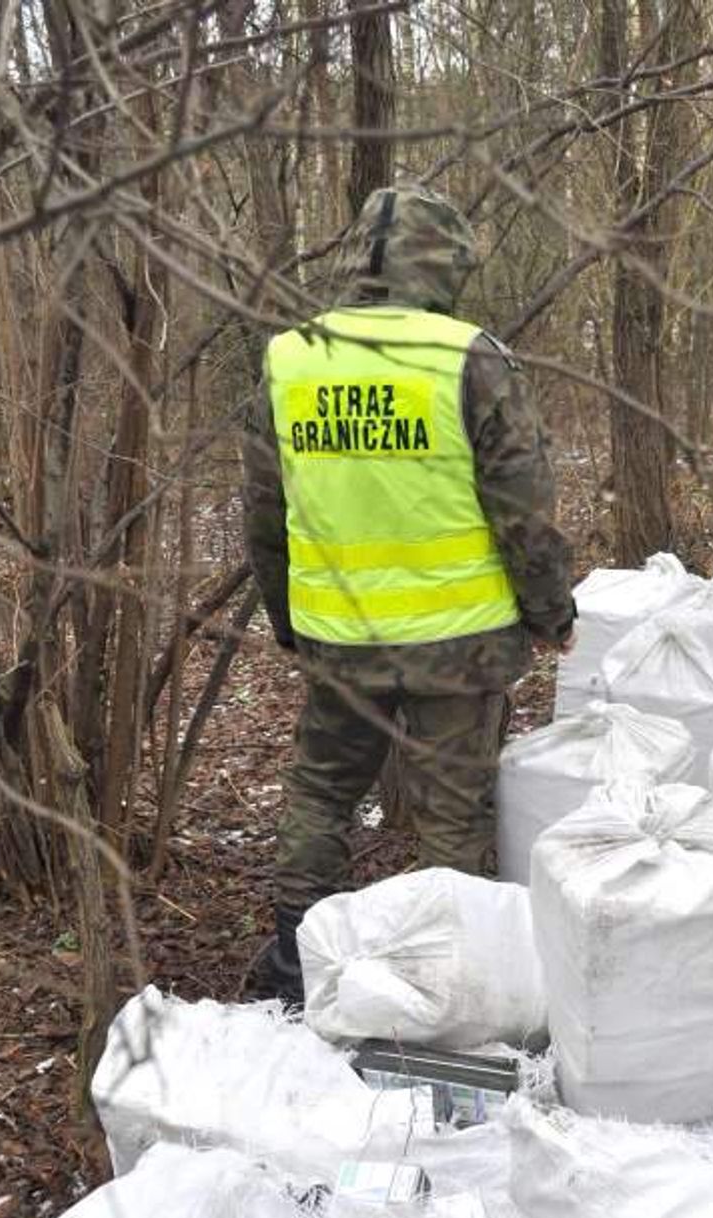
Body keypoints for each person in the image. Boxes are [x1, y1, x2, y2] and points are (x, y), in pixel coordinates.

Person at [242, 183, 576, 1003]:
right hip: (458, 642)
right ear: (445, 264)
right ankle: (443, 982)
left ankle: (294, 961)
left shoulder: (291, 357)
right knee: (451, 813)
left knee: (322, 793)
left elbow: (263, 511)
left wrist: (288, 618)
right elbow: (523, 505)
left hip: (339, 637)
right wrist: (551, 611)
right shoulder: (466, 357)